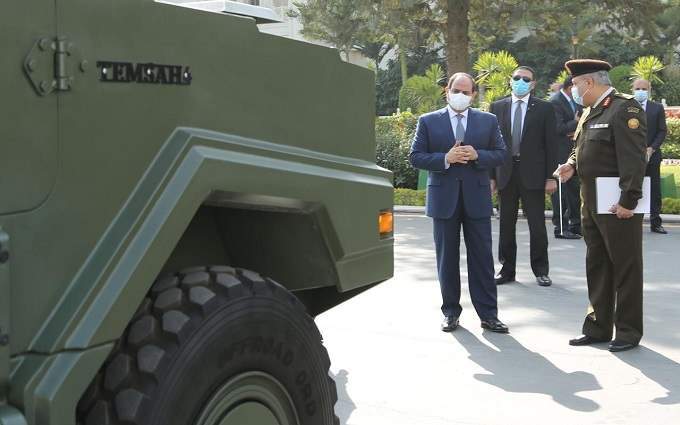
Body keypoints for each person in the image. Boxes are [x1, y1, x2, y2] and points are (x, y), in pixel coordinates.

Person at [555, 59, 647, 352]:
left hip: (617, 204)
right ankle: (598, 326)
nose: (573, 89)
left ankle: (628, 331)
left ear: (589, 82)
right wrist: (571, 164)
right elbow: (581, 147)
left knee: (625, 267)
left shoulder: (624, 108)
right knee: (597, 265)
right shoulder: (590, 111)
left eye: (575, 84)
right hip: (591, 201)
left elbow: (634, 159)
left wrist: (629, 200)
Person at [409, 72, 509, 333]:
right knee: (447, 260)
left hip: (477, 199)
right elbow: (416, 156)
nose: (461, 95)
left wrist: (478, 155)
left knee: (482, 259)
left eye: (466, 92)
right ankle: (451, 313)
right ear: (447, 91)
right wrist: (445, 158)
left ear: (473, 95)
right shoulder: (428, 121)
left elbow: (501, 153)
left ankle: (489, 315)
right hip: (444, 200)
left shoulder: (487, 120)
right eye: (456, 90)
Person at [490, 66, 558, 287]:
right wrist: (491, 176)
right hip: (506, 173)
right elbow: (491, 143)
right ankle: (506, 270)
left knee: (537, 226)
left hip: (534, 175)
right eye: (517, 78)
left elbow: (551, 145)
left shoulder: (545, 108)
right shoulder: (497, 107)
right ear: (510, 80)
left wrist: (551, 177)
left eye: (526, 79)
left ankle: (541, 270)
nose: (521, 82)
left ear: (533, 84)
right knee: (506, 225)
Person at [632, 78, 668, 234]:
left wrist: (652, 148)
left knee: (654, 190)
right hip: (632, 156)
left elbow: (662, 131)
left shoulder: (657, 108)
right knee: (632, 188)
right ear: (632, 89)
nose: (640, 91)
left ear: (649, 90)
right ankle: (632, 222)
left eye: (644, 89)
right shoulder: (626, 107)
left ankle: (655, 222)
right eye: (637, 88)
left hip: (652, 156)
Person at [549, 76, 583, 239]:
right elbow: (557, 128)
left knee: (574, 191)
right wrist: (575, 122)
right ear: (571, 87)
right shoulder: (555, 102)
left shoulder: (577, 101)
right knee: (560, 193)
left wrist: (575, 128)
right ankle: (561, 228)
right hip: (559, 153)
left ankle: (576, 225)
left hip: (573, 152)